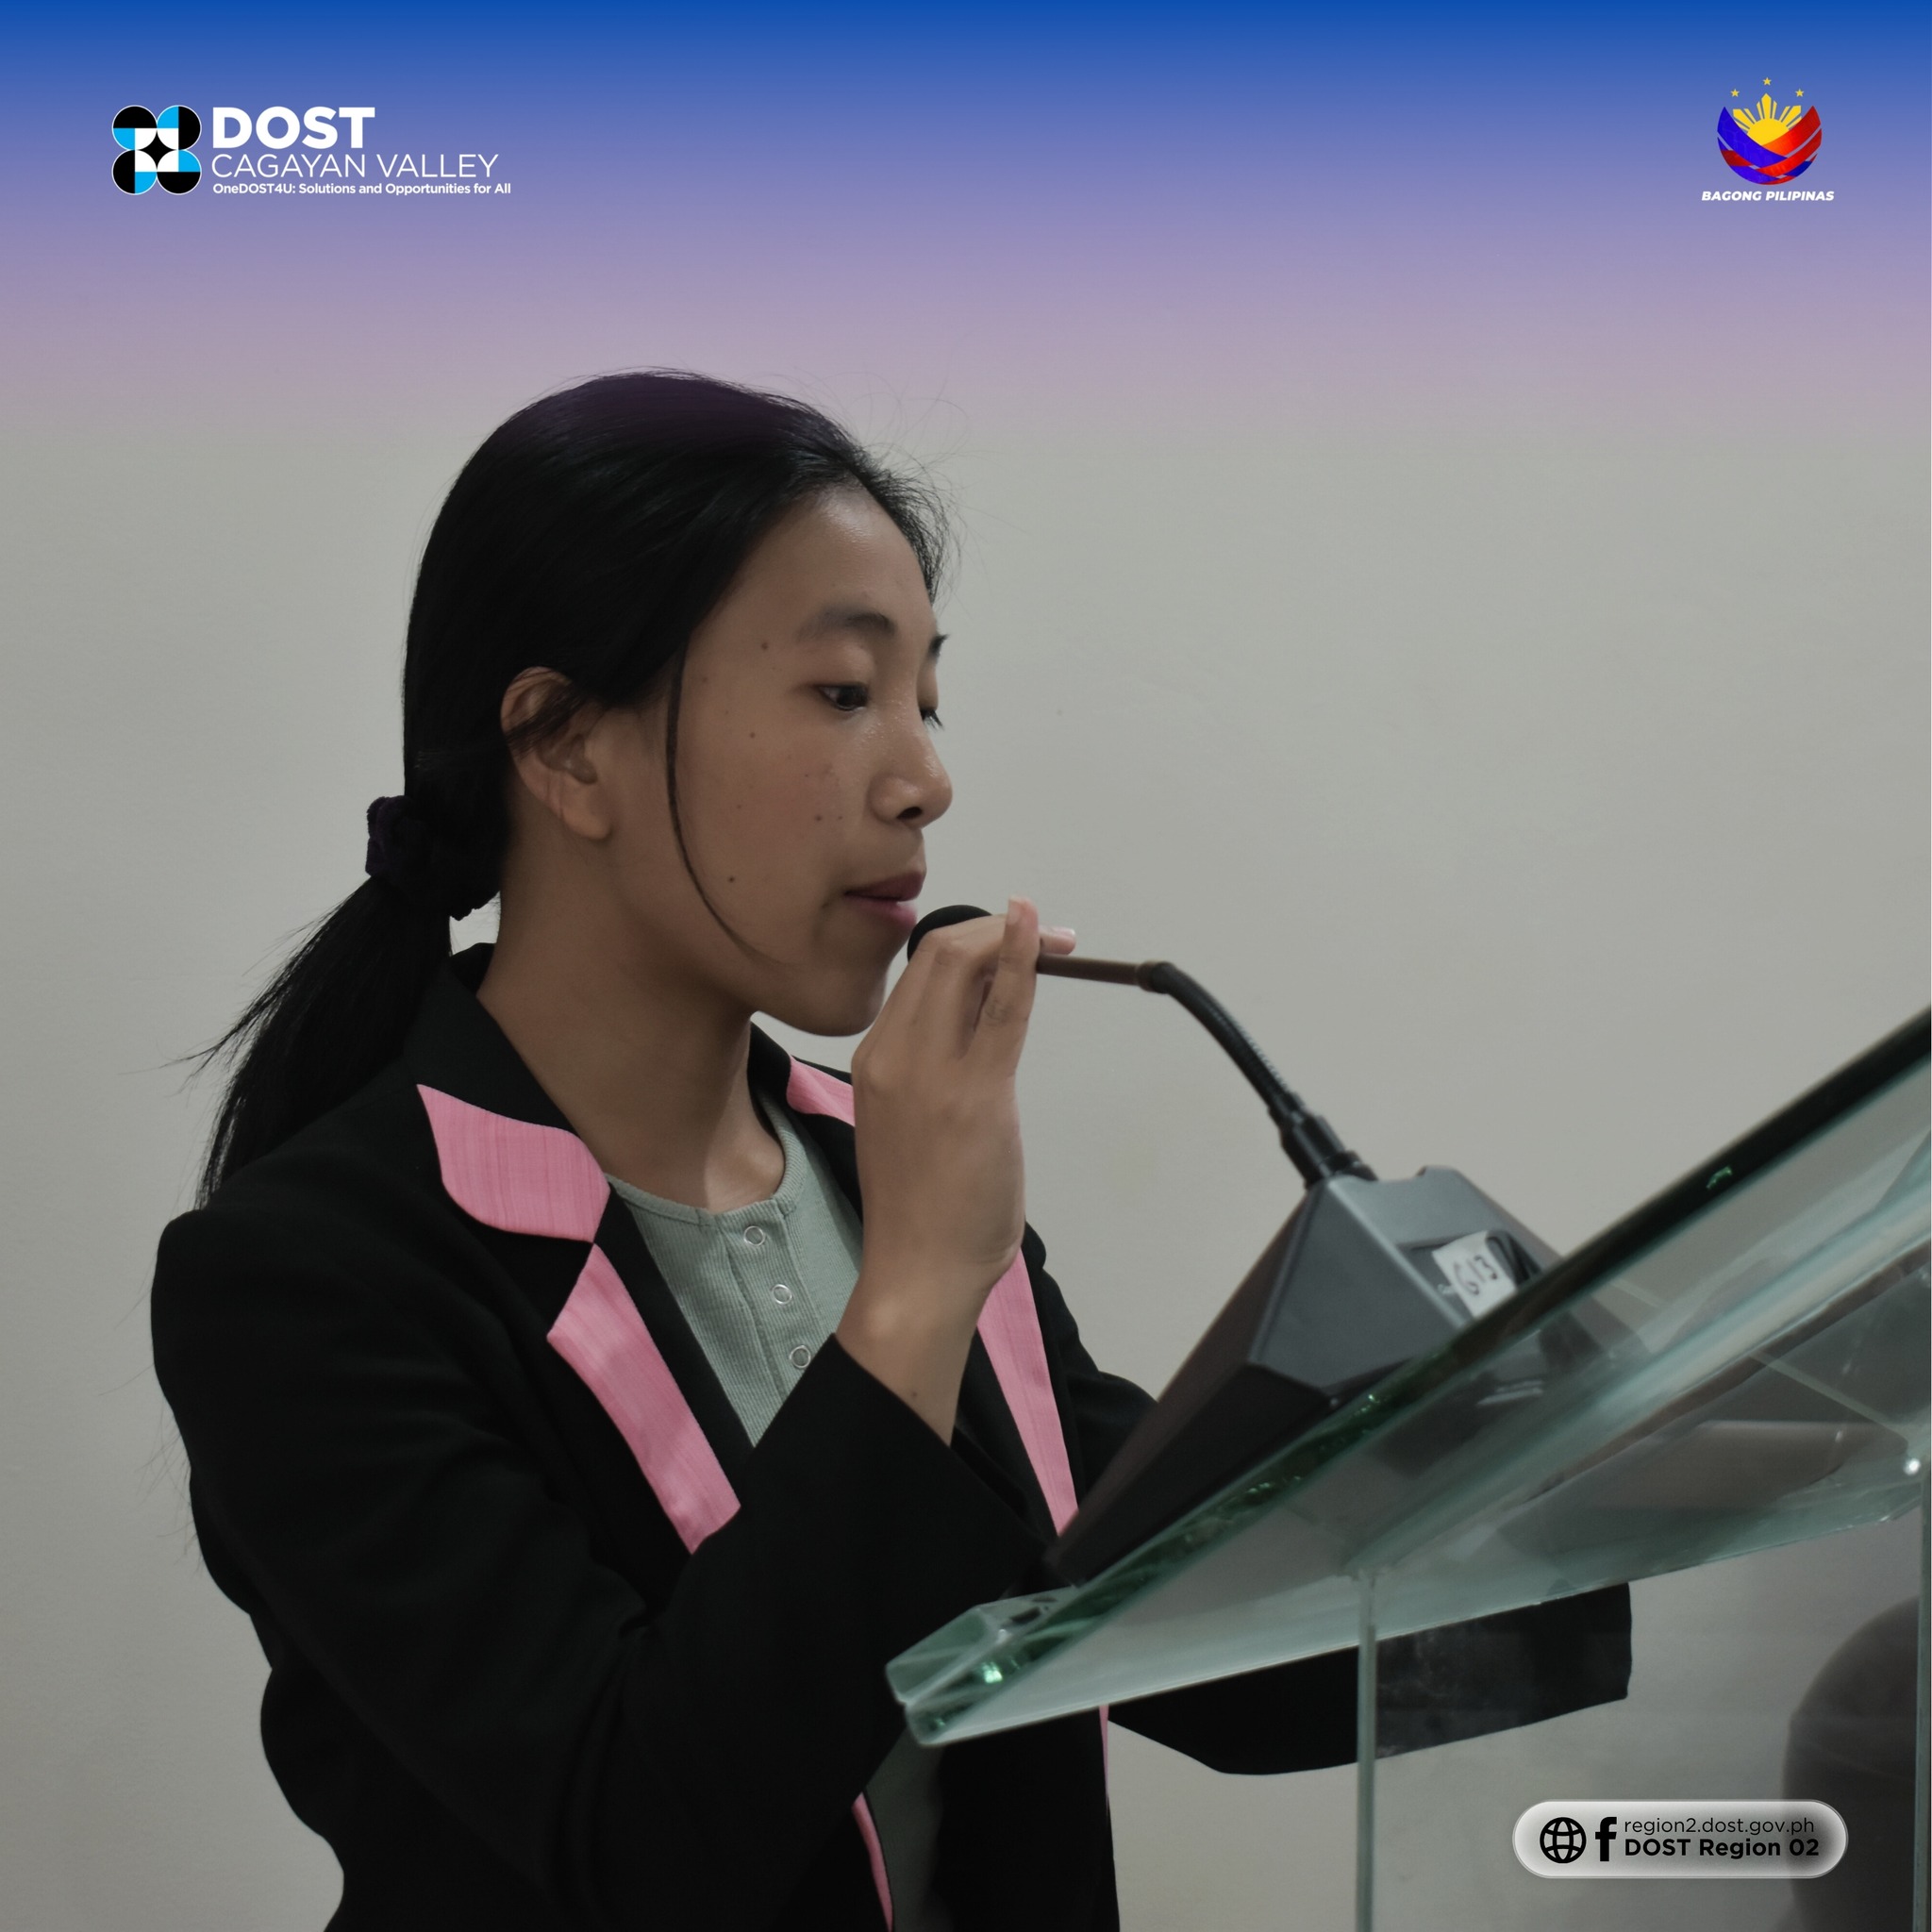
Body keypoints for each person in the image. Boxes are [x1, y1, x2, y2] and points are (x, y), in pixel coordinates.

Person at [151, 371, 1630, 1932]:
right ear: (567, 746)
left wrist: (1606, 1513)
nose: (927, 777)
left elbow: (1177, 1637)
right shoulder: (308, 1280)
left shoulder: (877, 1168)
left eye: (927, 701)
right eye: (844, 693)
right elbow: (640, 1840)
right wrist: (918, 1286)